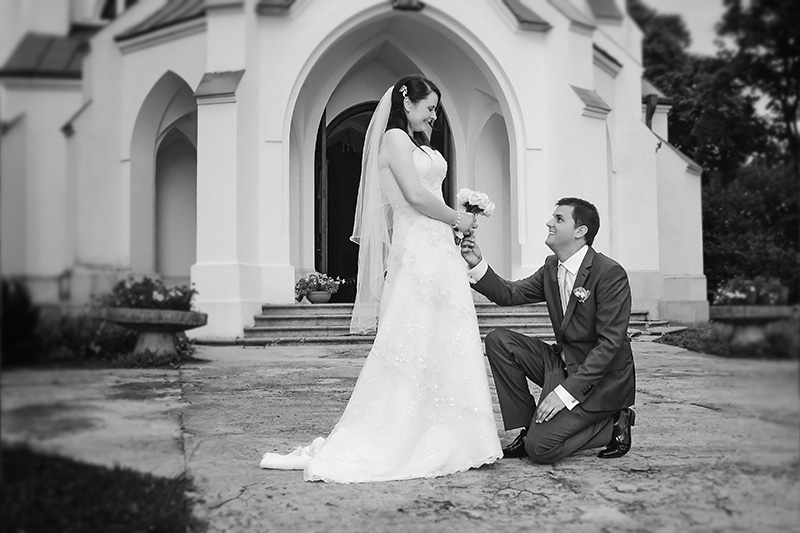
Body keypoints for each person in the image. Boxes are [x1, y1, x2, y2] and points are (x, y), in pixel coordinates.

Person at [260, 75, 502, 482]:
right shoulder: (393, 137)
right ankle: (405, 431)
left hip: (437, 247)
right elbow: (415, 195)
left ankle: (454, 432)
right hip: (418, 249)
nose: (434, 114)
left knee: (444, 336)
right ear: (407, 104)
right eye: (430, 107)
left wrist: (454, 227)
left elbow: (430, 198)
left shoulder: (416, 144)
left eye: (437, 108)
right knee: (412, 338)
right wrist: (457, 217)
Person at [459, 198, 636, 464]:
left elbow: (609, 346)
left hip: (600, 382)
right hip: (563, 363)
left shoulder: (610, 273)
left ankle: (613, 421)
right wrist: (476, 262)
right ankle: (528, 428)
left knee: (541, 449)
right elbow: (510, 293)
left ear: (580, 231)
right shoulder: (551, 268)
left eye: (559, 219)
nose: (549, 222)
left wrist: (563, 395)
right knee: (499, 340)